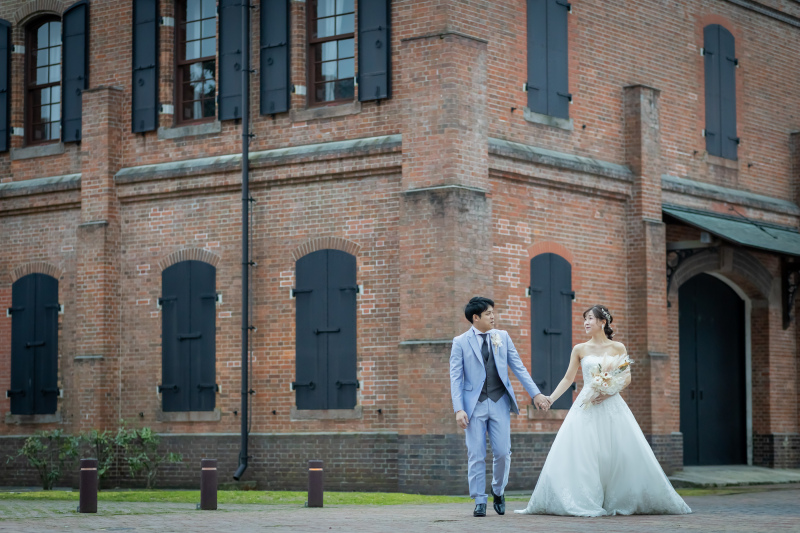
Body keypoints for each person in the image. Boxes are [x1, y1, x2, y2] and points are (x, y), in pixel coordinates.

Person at [515, 304, 692, 516]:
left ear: (603, 322)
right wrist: (550, 399)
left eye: (590, 318)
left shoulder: (618, 347)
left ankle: (619, 498)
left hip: (611, 404)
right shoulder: (579, 349)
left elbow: (626, 377)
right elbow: (568, 378)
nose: (586, 323)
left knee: (617, 452)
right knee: (584, 454)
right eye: (585, 319)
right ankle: (585, 499)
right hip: (586, 405)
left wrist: (608, 392)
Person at [449, 296, 551, 518]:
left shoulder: (502, 337)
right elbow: (455, 378)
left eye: (493, 312)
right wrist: (459, 408)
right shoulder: (460, 342)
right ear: (475, 318)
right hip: (473, 406)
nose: (493, 316)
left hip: (499, 402)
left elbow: (519, 367)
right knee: (476, 454)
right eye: (488, 313)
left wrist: (536, 394)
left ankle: (498, 490)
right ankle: (479, 499)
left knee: (503, 452)